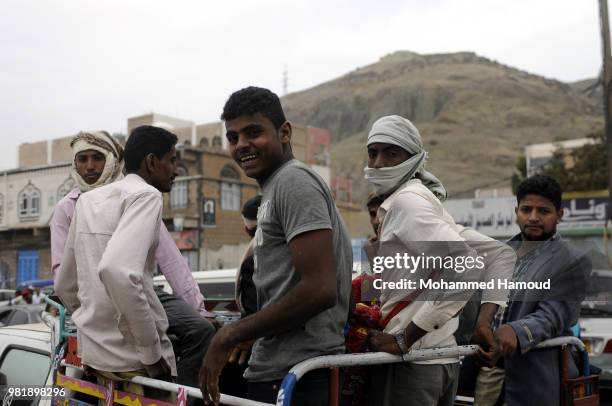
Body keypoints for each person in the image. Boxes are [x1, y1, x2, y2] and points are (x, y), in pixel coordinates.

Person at [199, 87, 352, 405]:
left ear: (284, 133)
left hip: (298, 374)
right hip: (277, 369)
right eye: (233, 137)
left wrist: (231, 334)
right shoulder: (275, 188)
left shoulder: (294, 183)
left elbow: (320, 289)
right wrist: (252, 331)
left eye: (253, 132)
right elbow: (286, 287)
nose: (241, 145)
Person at [50, 130, 215, 394]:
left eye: (97, 158)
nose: (175, 171)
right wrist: (151, 354)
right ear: (151, 162)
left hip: (97, 358)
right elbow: (116, 271)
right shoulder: (146, 196)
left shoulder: (88, 201)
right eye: (172, 161)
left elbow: (65, 284)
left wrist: (92, 330)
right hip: (136, 364)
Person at [363, 115, 513, 406]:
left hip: (411, 365)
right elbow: (501, 255)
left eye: (391, 153)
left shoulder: (407, 202)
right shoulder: (424, 199)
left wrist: (405, 338)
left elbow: (466, 268)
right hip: (440, 360)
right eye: (373, 153)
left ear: (415, 157)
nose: (379, 162)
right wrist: (484, 320)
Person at [483, 175, 590, 406]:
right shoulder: (499, 254)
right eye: (526, 209)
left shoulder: (571, 261)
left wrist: (515, 330)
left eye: (543, 211)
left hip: (534, 379)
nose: (533, 217)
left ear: (559, 215)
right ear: (516, 211)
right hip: (487, 373)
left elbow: (552, 316)